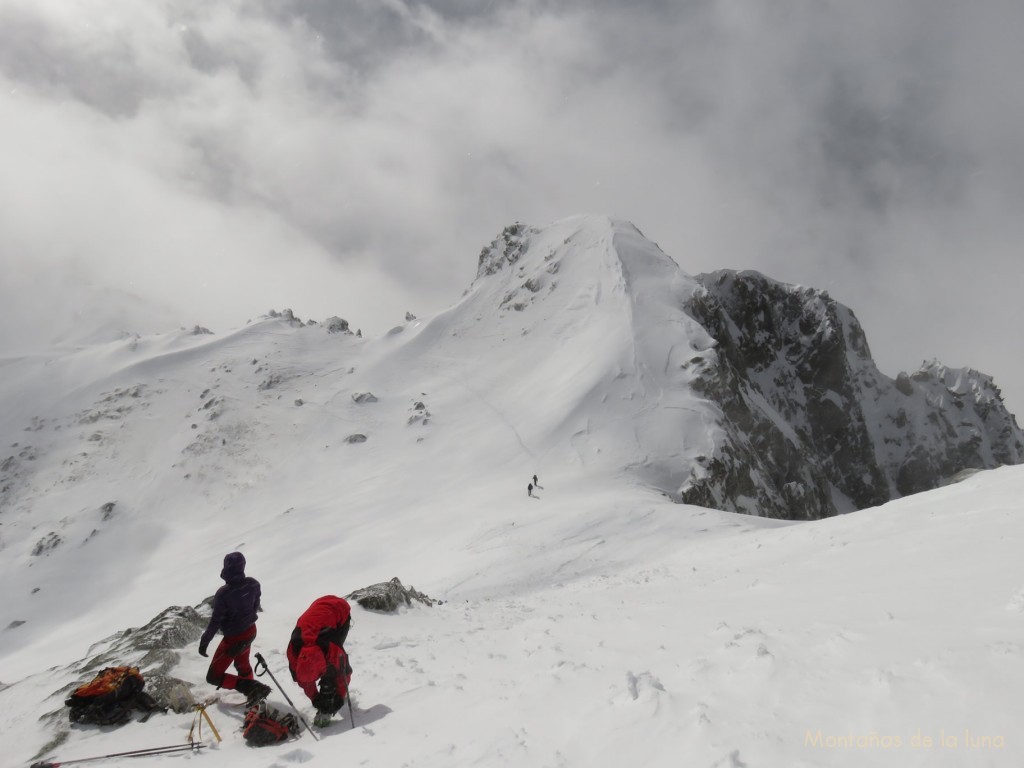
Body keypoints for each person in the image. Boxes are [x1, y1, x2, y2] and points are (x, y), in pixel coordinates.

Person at [198, 552, 270, 706]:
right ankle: (253, 692)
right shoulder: (253, 584)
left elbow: (215, 621)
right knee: (242, 664)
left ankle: (251, 688)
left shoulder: (223, 593)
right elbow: (255, 605)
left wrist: (205, 642)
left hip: (233, 639)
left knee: (213, 677)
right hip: (250, 631)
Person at [287, 595, 353, 727]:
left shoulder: (331, 648)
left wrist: (340, 697)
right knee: (331, 668)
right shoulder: (293, 652)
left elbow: (344, 673)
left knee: (334, 670)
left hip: (339, 609)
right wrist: (315, 698)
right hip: (319, 607)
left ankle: (330, 692)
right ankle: (327, 696)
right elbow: (304, 680)